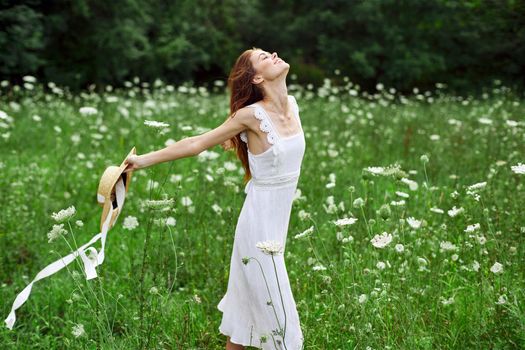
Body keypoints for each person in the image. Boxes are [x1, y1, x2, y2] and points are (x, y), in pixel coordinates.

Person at [124, 48, 305, 350]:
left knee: (246, 319)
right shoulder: (249, 115)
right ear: (257, 77)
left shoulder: (294, 106)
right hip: (258, 232)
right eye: (263, 56)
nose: (273, 53)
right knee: (280, 320)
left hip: (278, 230)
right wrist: (141, 161)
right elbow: (196, 143)